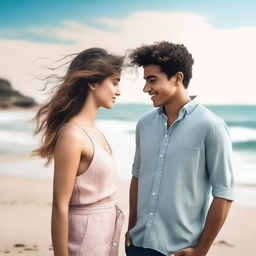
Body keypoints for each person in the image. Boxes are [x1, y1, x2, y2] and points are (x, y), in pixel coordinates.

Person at [125, 41, 234, 256]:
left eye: (152, 80)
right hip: (137, 245)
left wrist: (200, 250)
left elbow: (224, 193)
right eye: (146, 80)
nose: (146, 88)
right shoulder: (144, 124)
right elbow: (137, 177)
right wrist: (131, 228)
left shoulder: (211, 126)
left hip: (178, 251)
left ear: (178, 78)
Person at [32, 48, 125, 256]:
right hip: (84, 241)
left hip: (105, 236)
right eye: (115, 82)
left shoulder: (95, 131)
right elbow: (59, 206)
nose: (118, 91)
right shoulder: (73, 135)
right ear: (93, 83)